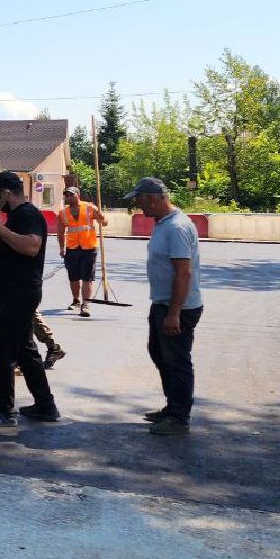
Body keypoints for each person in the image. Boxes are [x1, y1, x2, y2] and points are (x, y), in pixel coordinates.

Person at [0, 171, 59, 428]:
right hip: (14, 290)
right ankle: (45, 405)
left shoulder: (28, 215)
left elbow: (31, 247)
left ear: (8, 192)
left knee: (1, 349)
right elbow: (11, 255)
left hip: (19, 294)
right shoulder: (17, 217)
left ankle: (4, 411)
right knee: (24, 350)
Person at [126, 177, 203, 436]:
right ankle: (172, 407)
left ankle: (179, 417)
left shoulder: (177, 227)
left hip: (178, 307)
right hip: (163, 303)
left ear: (154, 197)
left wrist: (174, 314)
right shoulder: (163, 223)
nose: (138, 206)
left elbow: (183, 273)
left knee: (177, 360)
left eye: (140, 200)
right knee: (160, 354)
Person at [58, 186, 107, 317]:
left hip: (89, 247)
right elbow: (60, 233)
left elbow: (104, 223)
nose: (68, 197)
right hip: (72, 248)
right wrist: (62, 248)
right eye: (66, 195)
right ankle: (76, 300)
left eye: (70, 195)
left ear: (77, 195)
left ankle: (86, 304)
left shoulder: (90, 208)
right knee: (73, 277)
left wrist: (102, 217)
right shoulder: (63, 213)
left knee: (87, 277)